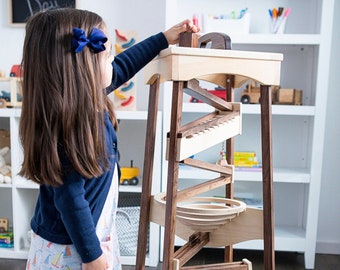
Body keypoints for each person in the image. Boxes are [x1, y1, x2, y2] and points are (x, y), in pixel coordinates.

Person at [19, 8, 200, 270]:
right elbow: (70, 201)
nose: (113, 63)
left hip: (89, 235)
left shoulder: (85, 98)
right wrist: (92, 255)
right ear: (84, 71)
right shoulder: (69, 125)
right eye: (107, 57)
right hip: (69, 249)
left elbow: (125, 66)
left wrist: (163, 38)